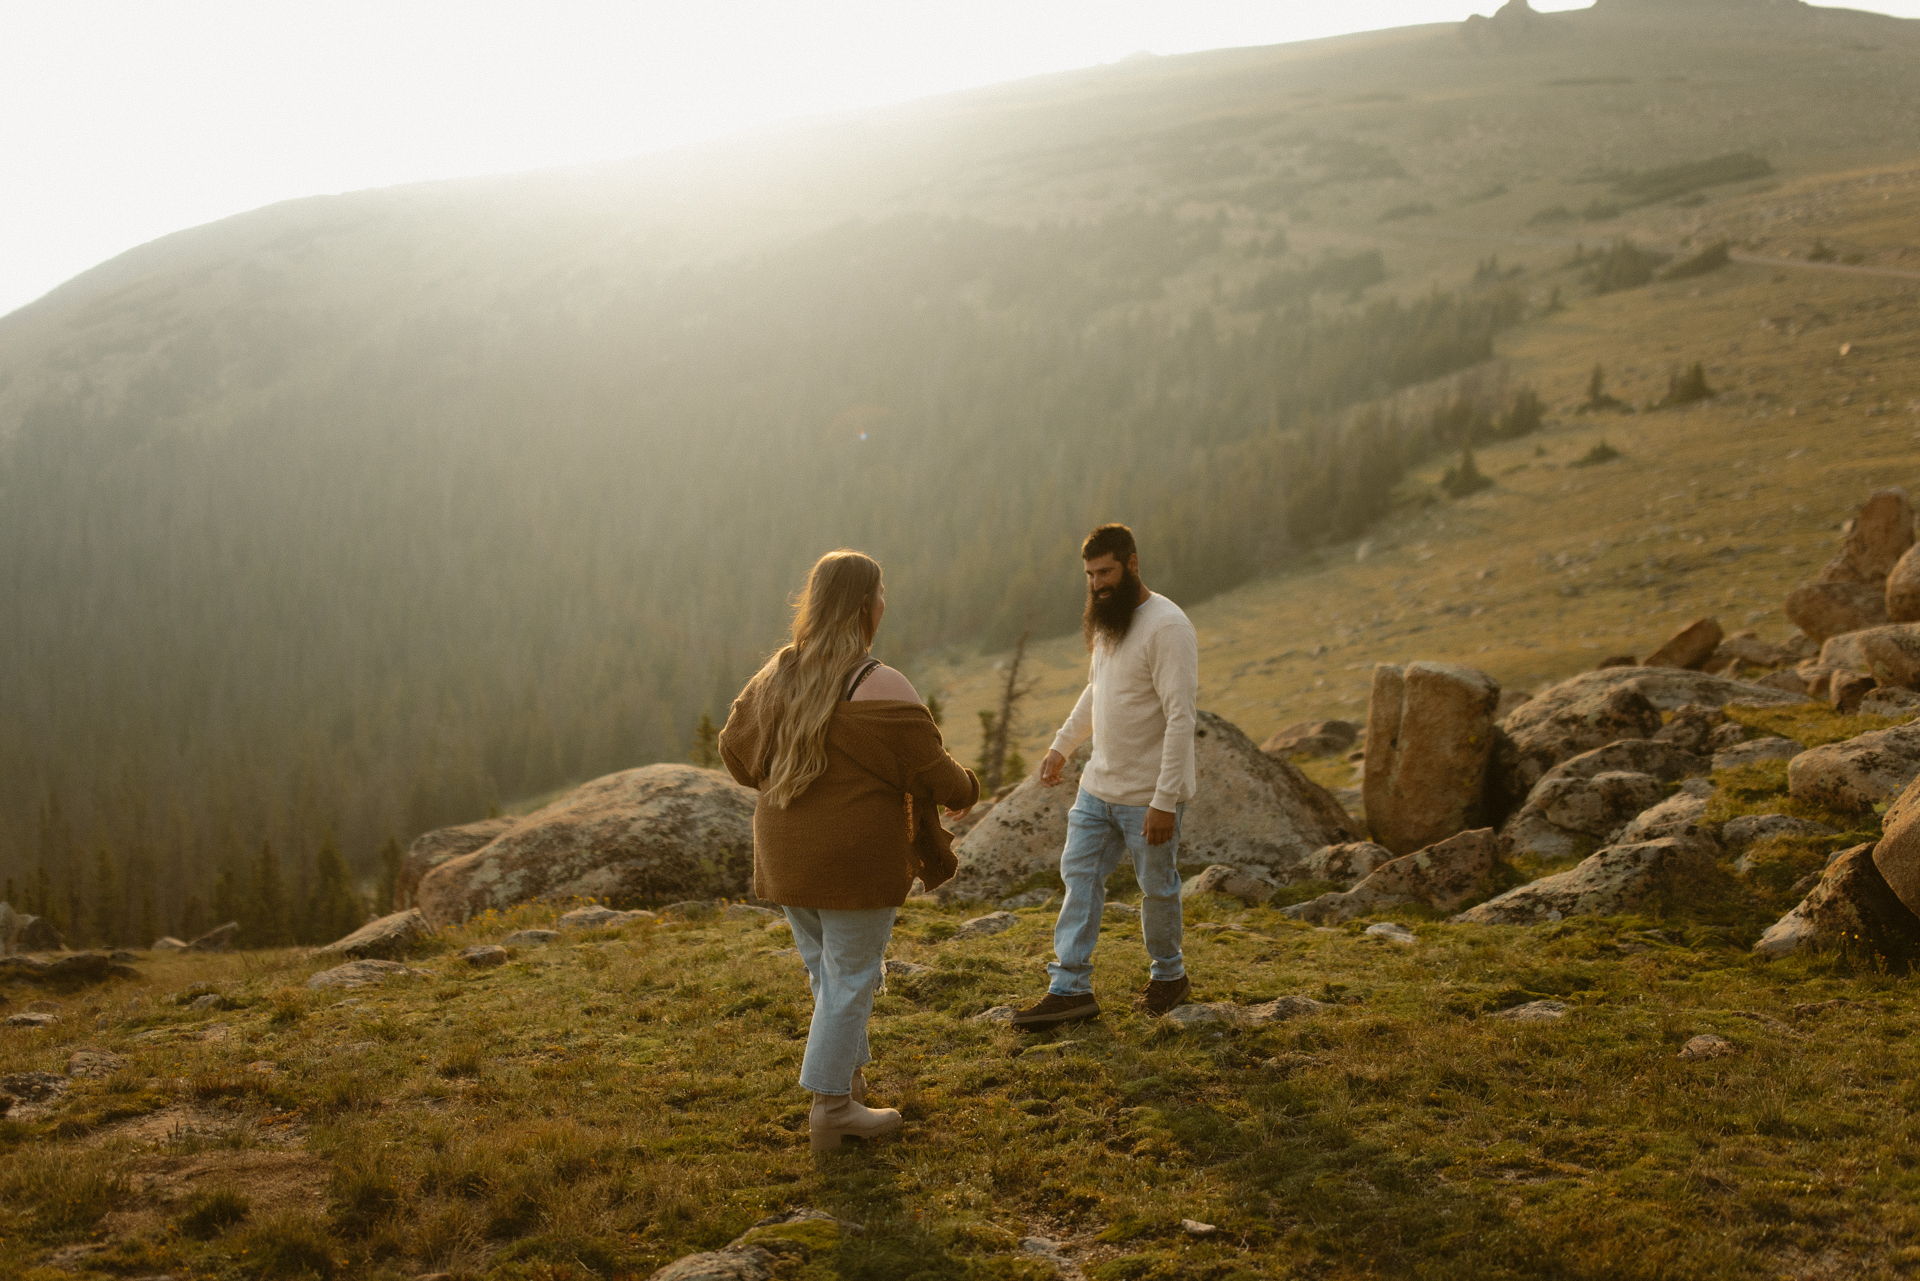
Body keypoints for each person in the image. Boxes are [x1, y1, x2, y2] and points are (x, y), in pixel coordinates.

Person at [719, 549, 978, 1151]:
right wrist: (968, 790)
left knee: (828, 974)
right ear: (866, 605)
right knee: (851, 976)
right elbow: (938, 773)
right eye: (881, 592)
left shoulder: (777, 674)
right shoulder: (878, 681)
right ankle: (832, 1110)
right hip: (852, 860)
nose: (884, 602)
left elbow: (736, 756)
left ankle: (848, 1084)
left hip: (784, 853)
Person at [1012, 523, 1199, 1031]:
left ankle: (1169, 976)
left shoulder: (1167, 627)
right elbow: (1097, 689)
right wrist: (1062, 745)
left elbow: (1182, 717)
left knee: (1157, 887)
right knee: (1079, 881)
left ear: (1132, 564)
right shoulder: (1108, 621)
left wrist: (1164, 800)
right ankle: (1069, 988)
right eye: (1091, 574)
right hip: (1097, 788)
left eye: (1107, 572)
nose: (1097, 584)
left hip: (1148, 797)